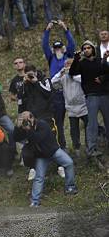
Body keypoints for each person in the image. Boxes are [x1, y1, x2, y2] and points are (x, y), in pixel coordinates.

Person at [14, 111, 77, 206]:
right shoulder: (25, 128)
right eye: (23, 120)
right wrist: (17, 127)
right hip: (41, 156)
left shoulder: (42, 124)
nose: (25, 122)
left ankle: (70, 187)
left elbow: (37, 138)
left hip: (53, 151)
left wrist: (29, 129)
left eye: (26, 119)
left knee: (69, 163)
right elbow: (15, 138)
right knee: (39, 177)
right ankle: (35, 202)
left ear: (32, 118)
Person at [69, 40, 109, 157]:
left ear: (92, 49)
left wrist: (102, 78)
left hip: (104, 94)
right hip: (91, 96)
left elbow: (107, 72)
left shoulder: (99, 61)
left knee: (108, 120)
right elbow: (72, 73)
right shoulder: (81, 63)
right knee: (92, 123)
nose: (86, 50)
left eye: (88, 48)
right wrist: (75, 59)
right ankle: (92, 148)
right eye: (84, 48)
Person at [43, 20, 75, 149]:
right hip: (57, 93)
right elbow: (44, 45)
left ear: (63, 48)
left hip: (70, 90)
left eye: (59, 47)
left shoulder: (68, 55)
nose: (58, 50)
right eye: (55, 48)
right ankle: (62, 145)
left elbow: (72, 43)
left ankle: (77, 145)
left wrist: (65, 29)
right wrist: (47, 30)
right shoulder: (51, 58)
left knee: (75, 119)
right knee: (59, 121)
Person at [51, 58, 88, 156]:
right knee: (74, 130)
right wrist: (61, 72)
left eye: (70, 64)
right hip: (71, 107)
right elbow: (53, 82)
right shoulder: (63, 78)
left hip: (84, 105)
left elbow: (83, 80)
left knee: (89, 126)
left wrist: (72, 73)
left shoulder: (80, 74)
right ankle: (77, 148)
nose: (68, 65)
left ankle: (90, 146)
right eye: (66, 64)